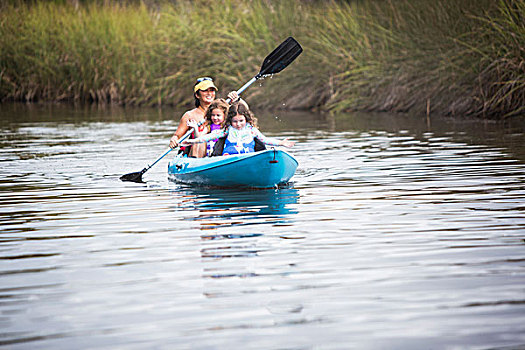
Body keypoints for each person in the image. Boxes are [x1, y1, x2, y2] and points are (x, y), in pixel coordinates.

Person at [169, 77, 245, 158]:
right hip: (199, 154)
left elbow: (245, 114)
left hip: (220, 151)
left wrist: (238, 99)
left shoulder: (225, 109)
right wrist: (173, 139)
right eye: (205, 91)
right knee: (201, 136)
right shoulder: (189, 115)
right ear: (197, 95)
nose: (209, 93)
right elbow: (177, 135)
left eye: (211, 90)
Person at [183, 101, 295, 156]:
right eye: (235, 121)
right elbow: (209, 136)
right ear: (230, 121)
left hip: (248, 158)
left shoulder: (251, 130)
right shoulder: (227, 130)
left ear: (246, 119)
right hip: (228, 160)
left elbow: (265, 140)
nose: (238, 124)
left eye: (241, 121)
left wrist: (281, 143)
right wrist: (192, 141)